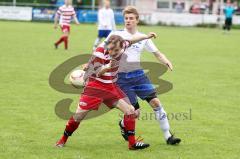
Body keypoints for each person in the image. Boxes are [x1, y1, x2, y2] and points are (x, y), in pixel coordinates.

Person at [55, 32, 157, 150]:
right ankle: (62, 140)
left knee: (130, 111)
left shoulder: (123, 45)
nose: (113, 53)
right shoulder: (99, 52)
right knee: (78, 117)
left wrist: (146, 36)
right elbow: (96, 73)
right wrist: (107, 67)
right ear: (107, 46)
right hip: (95, 88)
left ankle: (132, 144)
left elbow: (133, 39)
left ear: (122, 47)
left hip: (111, 87)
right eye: (110, 50)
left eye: (116, 51)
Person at [105, 6, 181, 145]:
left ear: (137, 20)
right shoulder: (115, 35)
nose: (128, 21)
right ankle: (123, 124)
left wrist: (166, 61)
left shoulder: (143, 37)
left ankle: (168, 136)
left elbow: (157, 53)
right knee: (135, 113)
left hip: (139, 76)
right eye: (126, 18)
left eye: (131, 18)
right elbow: (101, 51)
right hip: (122, 78)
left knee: (156, 102)